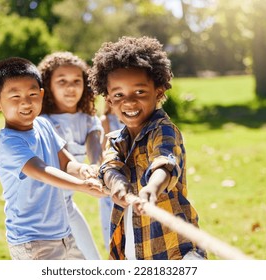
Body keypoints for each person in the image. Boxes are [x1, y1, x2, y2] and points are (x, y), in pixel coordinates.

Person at [88, 36, 207, 260]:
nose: (130, 102)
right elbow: (109, 167)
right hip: (133, 247)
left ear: (159, 92)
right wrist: (118, 185)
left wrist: (152, 188)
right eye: (119, 95)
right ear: (109, 100)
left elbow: (165, 161)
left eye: (140, 92)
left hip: (174, 249)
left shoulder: (164, 130)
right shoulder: (115, 139)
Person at [0, 57, 105, 260]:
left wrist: (83, 170)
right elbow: (42, 171)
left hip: (62, 233)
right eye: (15, 96)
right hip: (32, 241)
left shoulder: (44, 126)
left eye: (33, 94)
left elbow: (66, 162)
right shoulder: (9, 143)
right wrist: (81, 185)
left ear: (41, 95)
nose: (26, 102)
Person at [37, 51, 106, 260]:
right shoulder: (41, 121)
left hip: (67, 206)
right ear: (48, 86)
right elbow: (62, 162)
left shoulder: (87, 120)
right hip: (40, 213)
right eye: (62, 81)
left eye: (77, 80)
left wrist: (95, 167)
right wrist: (84, 173)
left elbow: (95, 148)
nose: (71, 87)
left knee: (93, 261)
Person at [99, 102, 124, 251]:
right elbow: (103, 150)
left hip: (130, 180)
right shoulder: (106, 120)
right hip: (112, 177)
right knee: (110, 226)